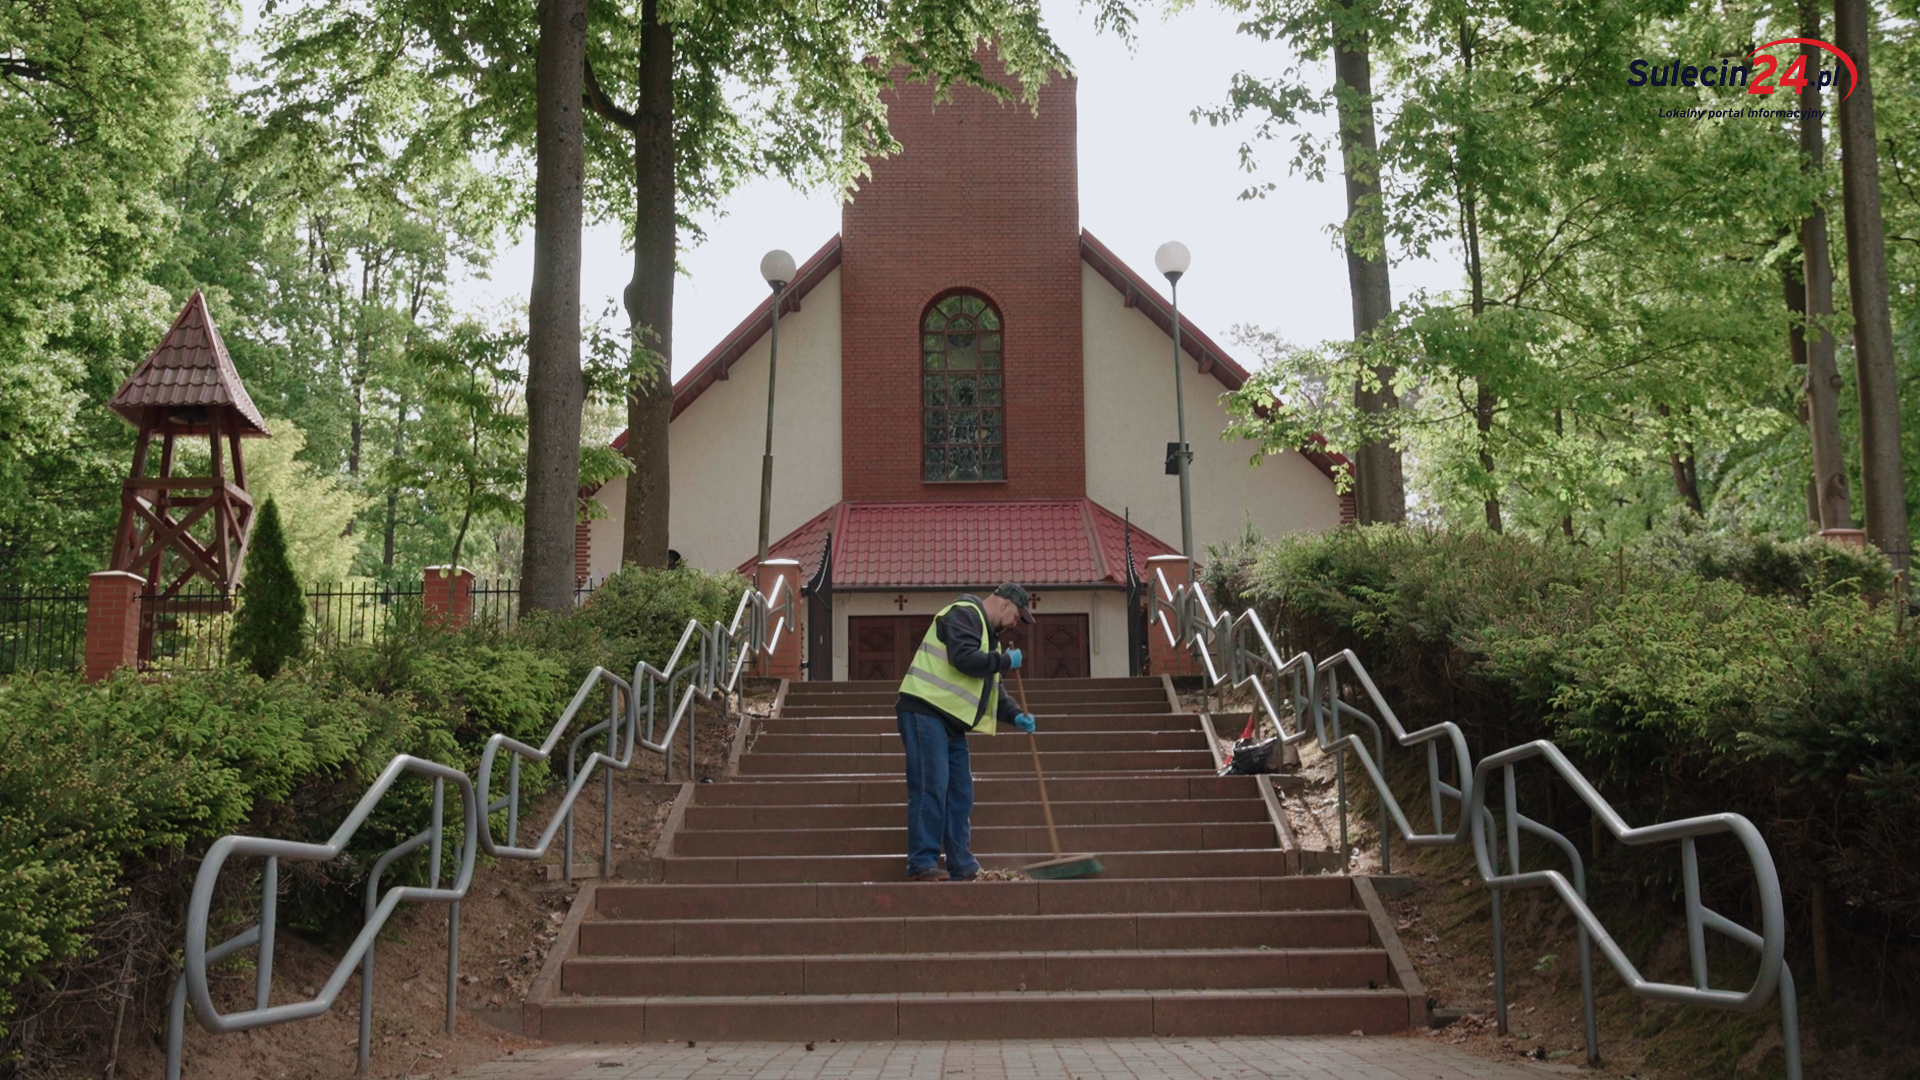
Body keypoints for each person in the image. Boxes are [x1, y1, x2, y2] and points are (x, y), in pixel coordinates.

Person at [894, 582, 1039, 881]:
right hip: (925, 710)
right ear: (1004, 604)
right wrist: (1003, 662)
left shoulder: (989, 639)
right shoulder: (964, 613)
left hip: (951, 722)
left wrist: (1015, 716)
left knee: (961, 793)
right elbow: (964, 659)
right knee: (930, 785)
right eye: (1016, 616)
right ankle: (922, 863)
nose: (1015, 624)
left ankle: (961, 863)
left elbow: (992, 690)